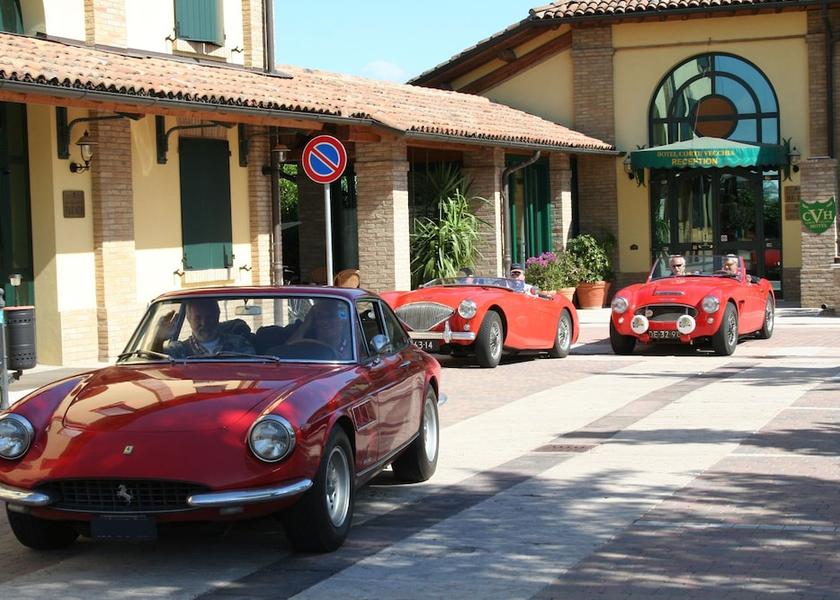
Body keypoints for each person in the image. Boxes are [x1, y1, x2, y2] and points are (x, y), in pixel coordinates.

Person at [160, 298, 255, 357]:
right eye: (198, 318)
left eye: (209, 317)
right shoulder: (178, 350)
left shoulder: (239, 344)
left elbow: (253, 372)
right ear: (189, 319)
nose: (204, 323)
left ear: (217, 317)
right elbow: (155, 366)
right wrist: (159, 339)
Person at [285, 300, 352, 359]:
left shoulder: (351, 342)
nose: (325, 321)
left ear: (342, 320)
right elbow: (286, 351)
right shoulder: (305, 342)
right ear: (314, 321)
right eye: (320, 317)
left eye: (331, 316)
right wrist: (305, 325)